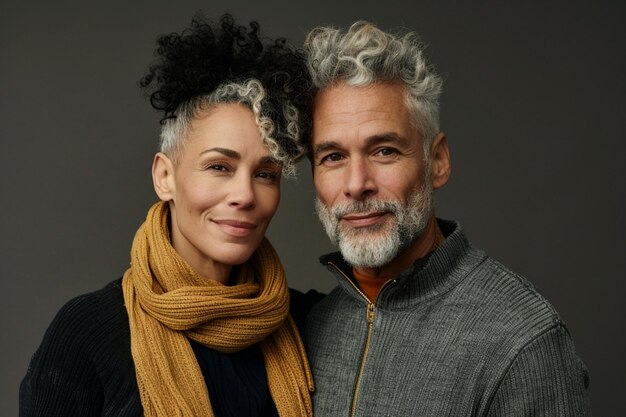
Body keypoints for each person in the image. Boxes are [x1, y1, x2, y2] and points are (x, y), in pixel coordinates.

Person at [20, 14, 315, 417]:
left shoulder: (306, 324)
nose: (245, 195)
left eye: (265, 174)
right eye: (219, 167)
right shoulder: (88, 334)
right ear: (164, 176)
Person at [301, 21, 592, 416]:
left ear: (437, 161)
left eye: (384, 150)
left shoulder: (523, 340)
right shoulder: (308, 329)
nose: (357, 185)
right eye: (333, 157)